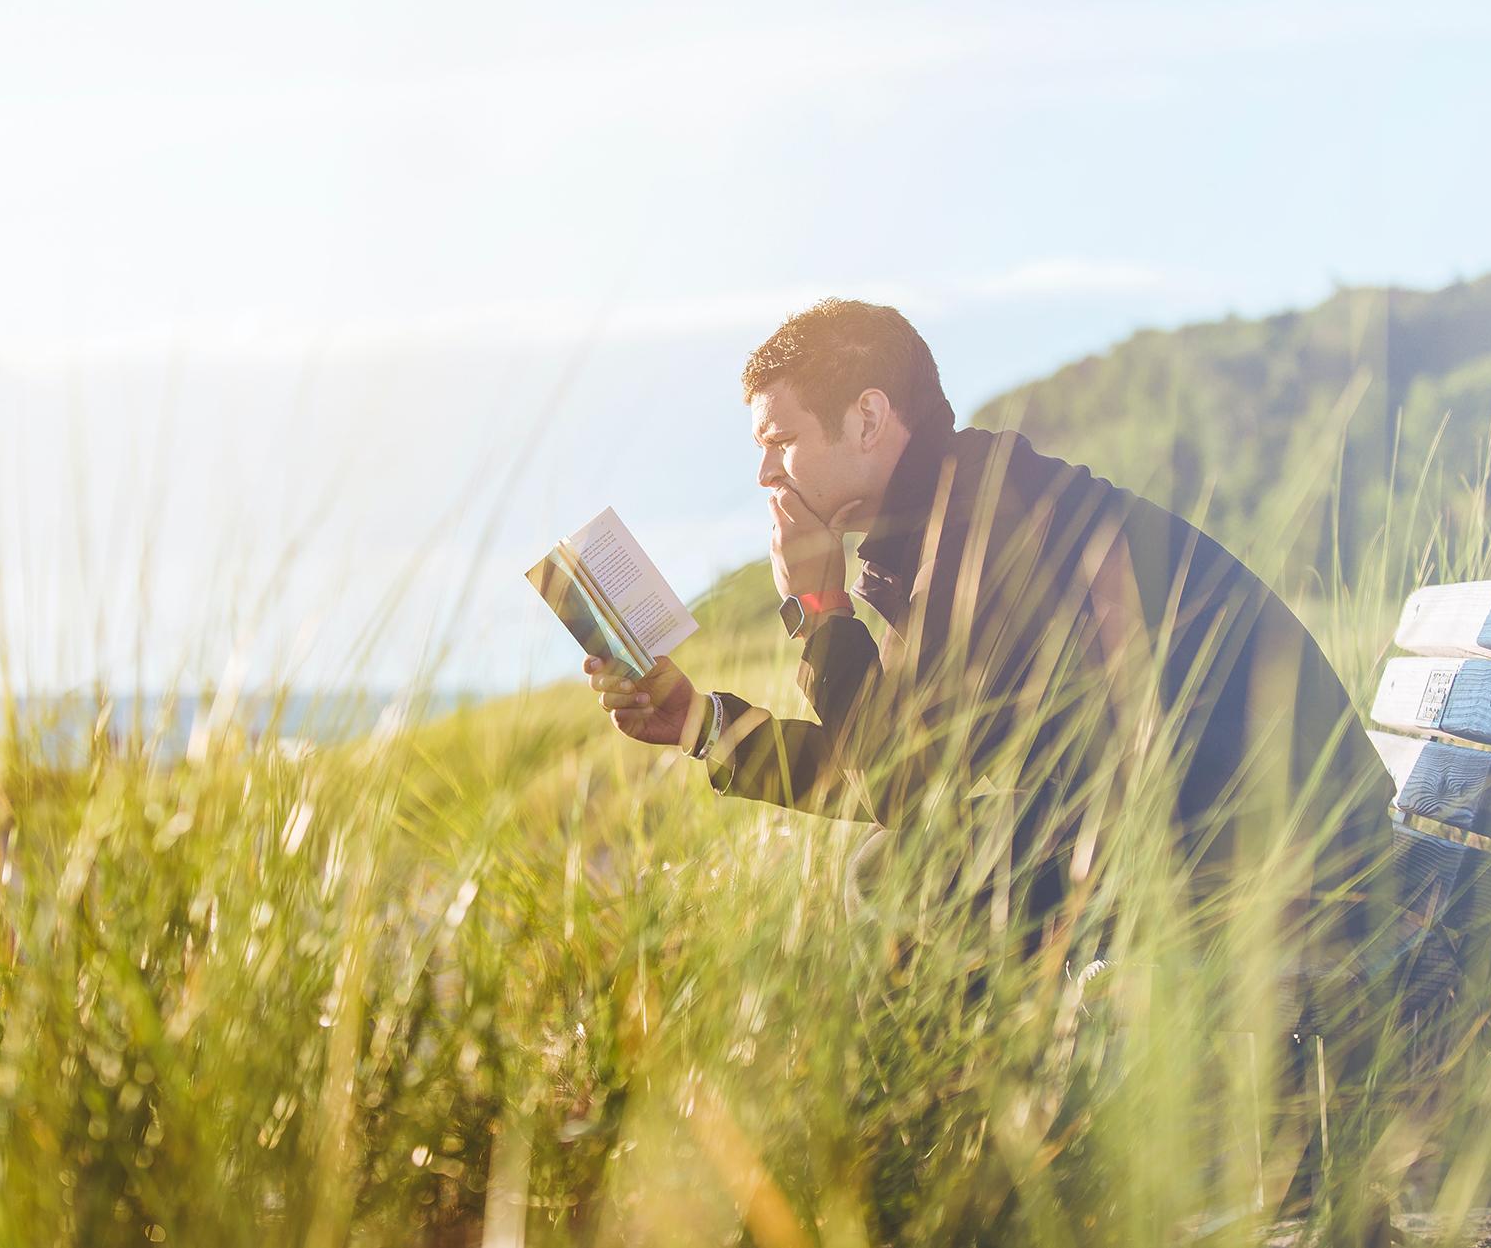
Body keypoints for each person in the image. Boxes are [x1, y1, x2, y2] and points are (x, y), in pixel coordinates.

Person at [582, 301, 1402, 1226]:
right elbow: (897, 770)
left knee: (905, 877)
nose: (765, 471)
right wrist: (697, 721)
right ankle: (1004, 1182)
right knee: (912, 868)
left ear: (867, 418)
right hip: (1220, 822)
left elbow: (896, 782)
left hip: (1278, 849)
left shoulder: (982, 526)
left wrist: (816, 604)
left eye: (780, 440)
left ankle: (1005, 1192)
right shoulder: (952, 514)